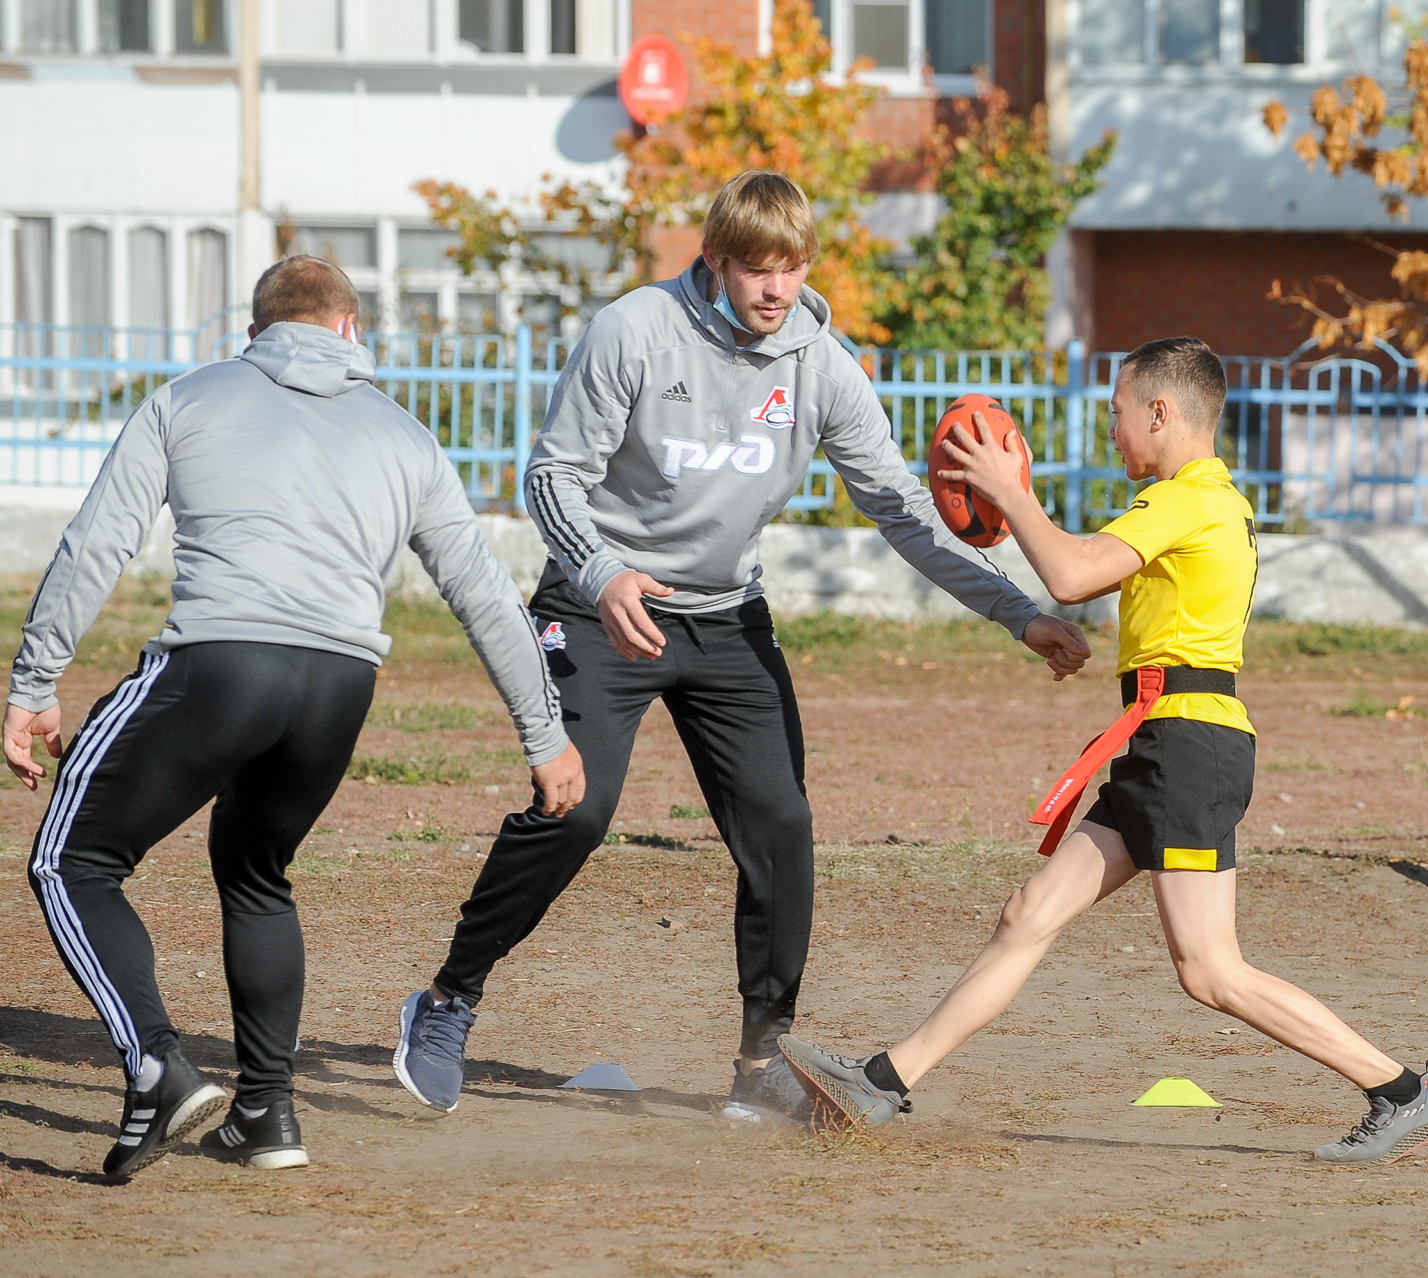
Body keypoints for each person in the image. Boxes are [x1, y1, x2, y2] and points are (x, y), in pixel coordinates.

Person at [391, 170, 1091, 1124]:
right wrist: (602, 573)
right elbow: (552, 478)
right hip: (603, 605)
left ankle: (760, 1060)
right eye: (756, 270)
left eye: (792, 269)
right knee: (577, 812)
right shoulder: (634, 330)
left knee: (781, 827)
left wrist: (1020, 612)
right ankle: (447, 1000)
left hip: (725, 616)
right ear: (716, 260)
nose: (775, 290)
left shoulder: (821, 365)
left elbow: (901, 509)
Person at [777, 336, 1428, 1166]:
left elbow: (1069, 571)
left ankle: (1402, 1093)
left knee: (1210, 971)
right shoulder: (1199, 501)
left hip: (1189, 749)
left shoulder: (1191, 498)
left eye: (1118, 413)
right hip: (1160, 742)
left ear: (1161, 412)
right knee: (1029, 913)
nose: (1112, 430)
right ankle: (881, 1084)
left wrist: (1010, 492)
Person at [5, 256, 585, 1180]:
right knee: (255, 871)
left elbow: (98, 539)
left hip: (221, 666)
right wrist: (546, 735)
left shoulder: (190, 396)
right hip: (339, 689)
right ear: (351, 331)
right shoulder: (405, 434)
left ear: (256, 333)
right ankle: (266, 1115)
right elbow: (482, 594)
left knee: (70, 862)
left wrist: (34, 683)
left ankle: (155, 1064)